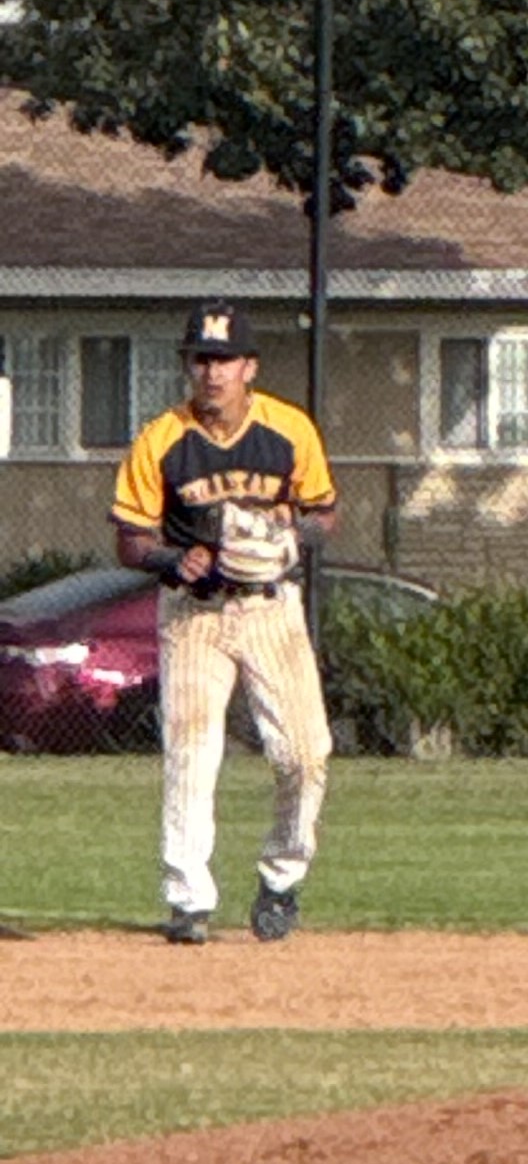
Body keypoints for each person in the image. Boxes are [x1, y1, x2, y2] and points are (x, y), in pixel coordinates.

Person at [109, 302, 338, 946]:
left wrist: (293, 540)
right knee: (192, 750)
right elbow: (131, 540)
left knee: (306, 753)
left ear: (250, 368)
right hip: (194, 615)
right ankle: (188, 899)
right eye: (201, 359)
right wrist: (175, 560)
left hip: (270, 607)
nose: (212, 373)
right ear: (188, 366)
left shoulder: (289, 431)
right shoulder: (162, 439)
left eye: (225, 360)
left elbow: (324, 512)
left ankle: (282, 877)